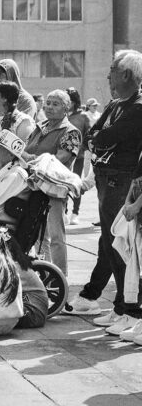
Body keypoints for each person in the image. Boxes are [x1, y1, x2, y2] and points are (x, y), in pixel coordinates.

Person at [74, 50, 142, 328]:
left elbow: (107, 137)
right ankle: (119, 306)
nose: (108, 76)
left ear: (126, 74)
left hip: (121, 178)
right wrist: (97, 141)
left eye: (112, 70)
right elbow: (91, 136)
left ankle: (129, 309)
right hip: (105, 177)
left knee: (119, 242)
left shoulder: (138, 106)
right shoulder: (115, 104)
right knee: (108, 241)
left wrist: (98, 141)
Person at [23, 90, 81, 281]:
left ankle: (60, 279)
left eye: (55, 104)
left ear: (67, 108)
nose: (49, 107)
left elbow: (61, 159)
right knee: (38, 236)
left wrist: (32, 160)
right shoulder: (40, 127)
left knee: (56, 237)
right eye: (47, 103)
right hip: (33, 186)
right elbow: (24, 150)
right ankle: (45, 276)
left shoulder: (71, 131)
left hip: (55, 189)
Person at [66, 88, 93, 221]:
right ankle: (63, 211)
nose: (68, 103)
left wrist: (81, 148)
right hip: (62, 156)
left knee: (76, 183)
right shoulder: (62, 114)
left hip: (78, 157)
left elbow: (89, 135)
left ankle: (75, 212)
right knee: (62, 183)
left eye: (70, 101)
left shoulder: (83, 116)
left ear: (75, 101)